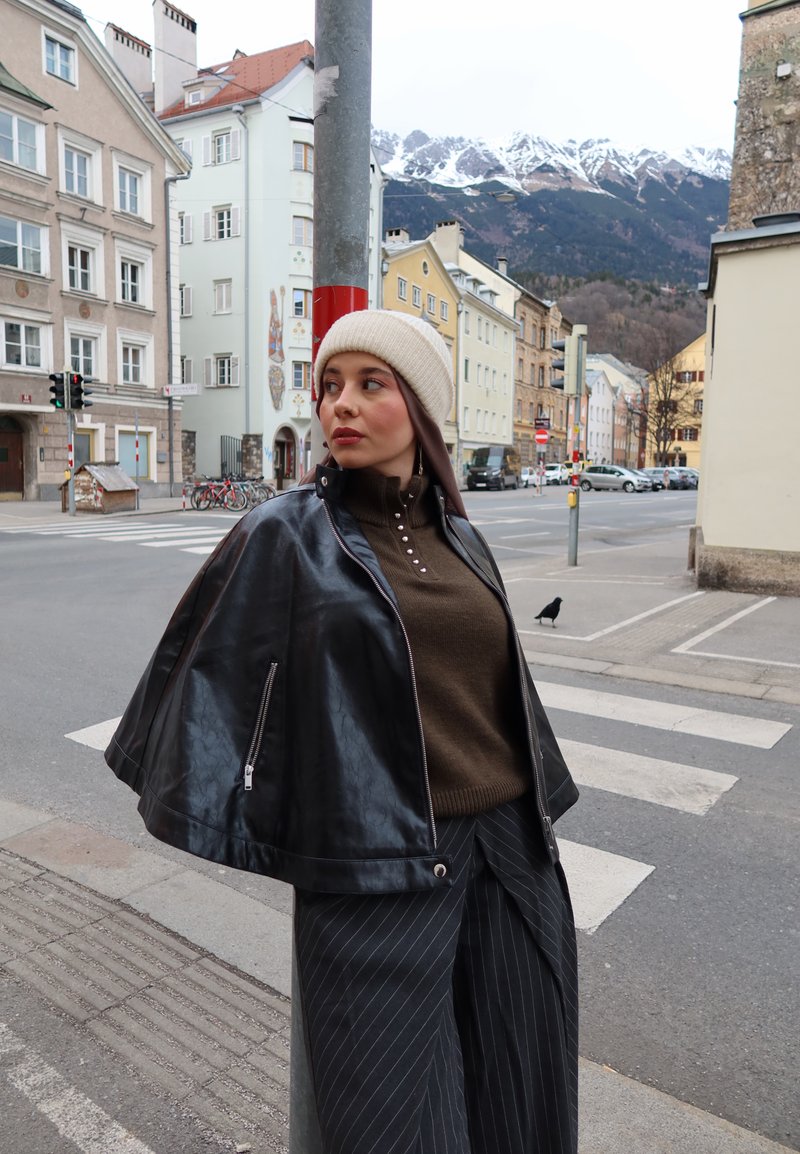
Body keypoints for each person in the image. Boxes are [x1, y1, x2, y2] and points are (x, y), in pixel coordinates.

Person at [105, 309, 579, 1154]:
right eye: (329, 387)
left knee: (524, 1104)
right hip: (375, 870)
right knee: (397, 1127)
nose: (340, 407)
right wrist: (268, 821)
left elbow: (503, 691)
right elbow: (205, 679)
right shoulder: (285, 532)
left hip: (512, 859)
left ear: (423, 409)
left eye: (371, 384)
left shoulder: (463, 537)